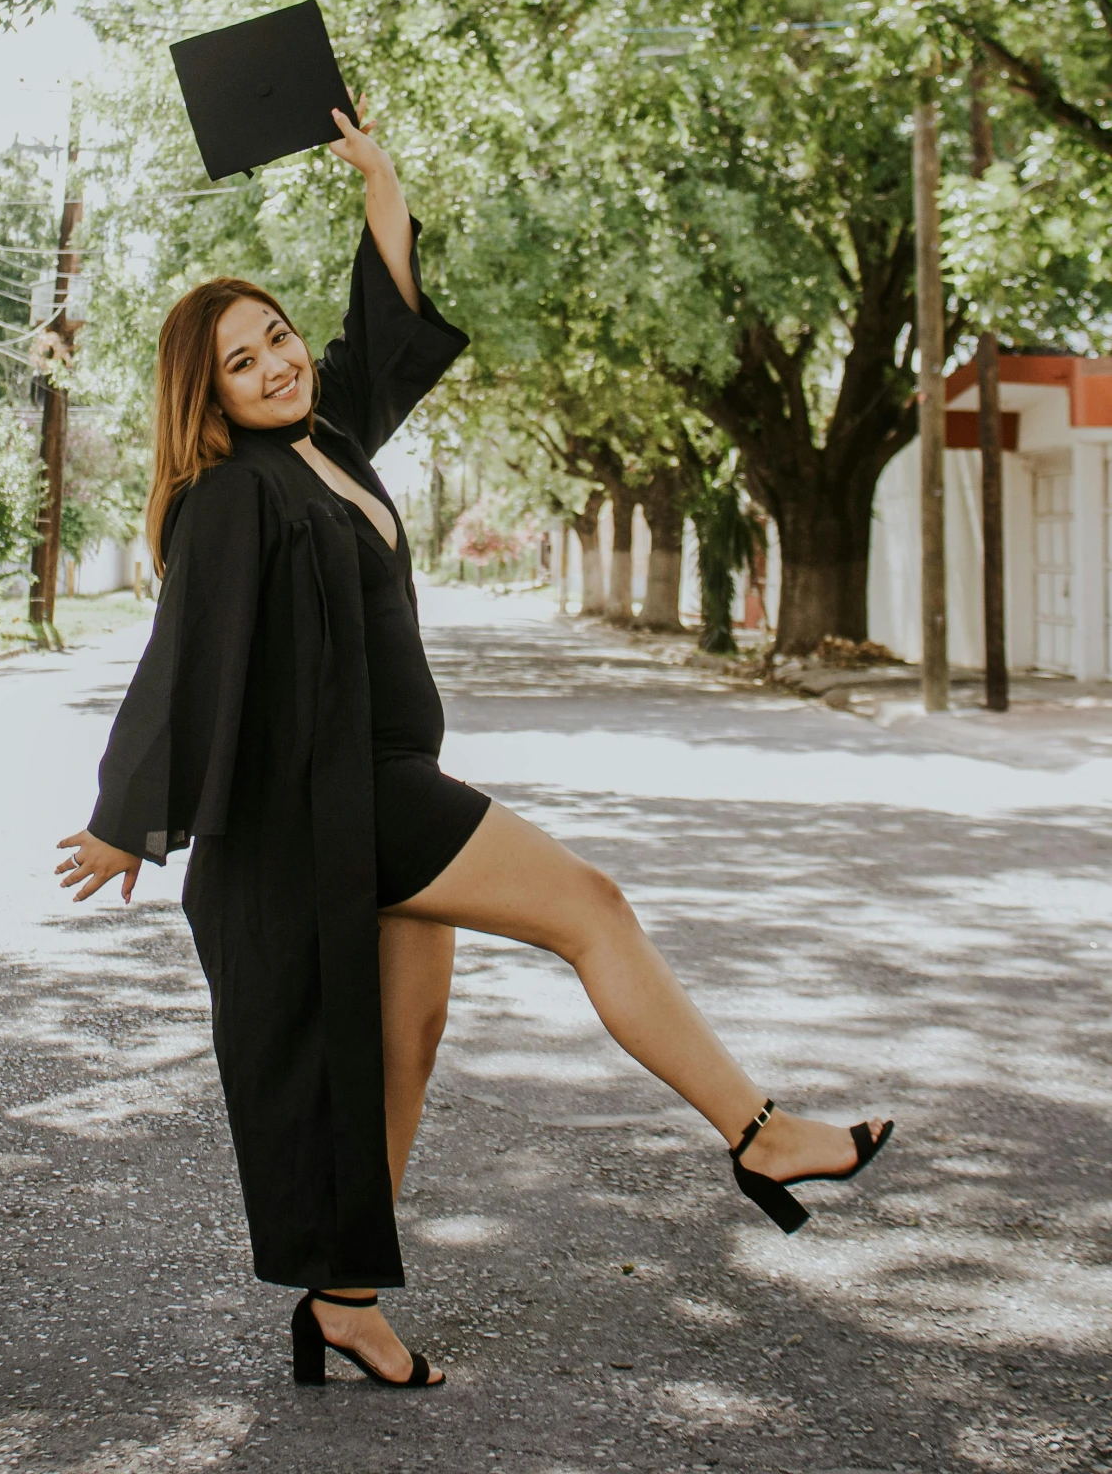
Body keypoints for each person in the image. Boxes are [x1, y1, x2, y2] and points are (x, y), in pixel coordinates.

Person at [58, 106, 891, 1391]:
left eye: (277, 336)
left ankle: (345, 1298)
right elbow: (186, 661)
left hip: (382, 785)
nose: (278, 363)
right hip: (348, 798)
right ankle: (761, 1132)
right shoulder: (233, 500)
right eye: (242, 360)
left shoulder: (329, 444)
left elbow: (379, 337)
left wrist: (381, 181)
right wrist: (129, 817)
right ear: (204, 393)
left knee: (410, 1036)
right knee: (590, 909)